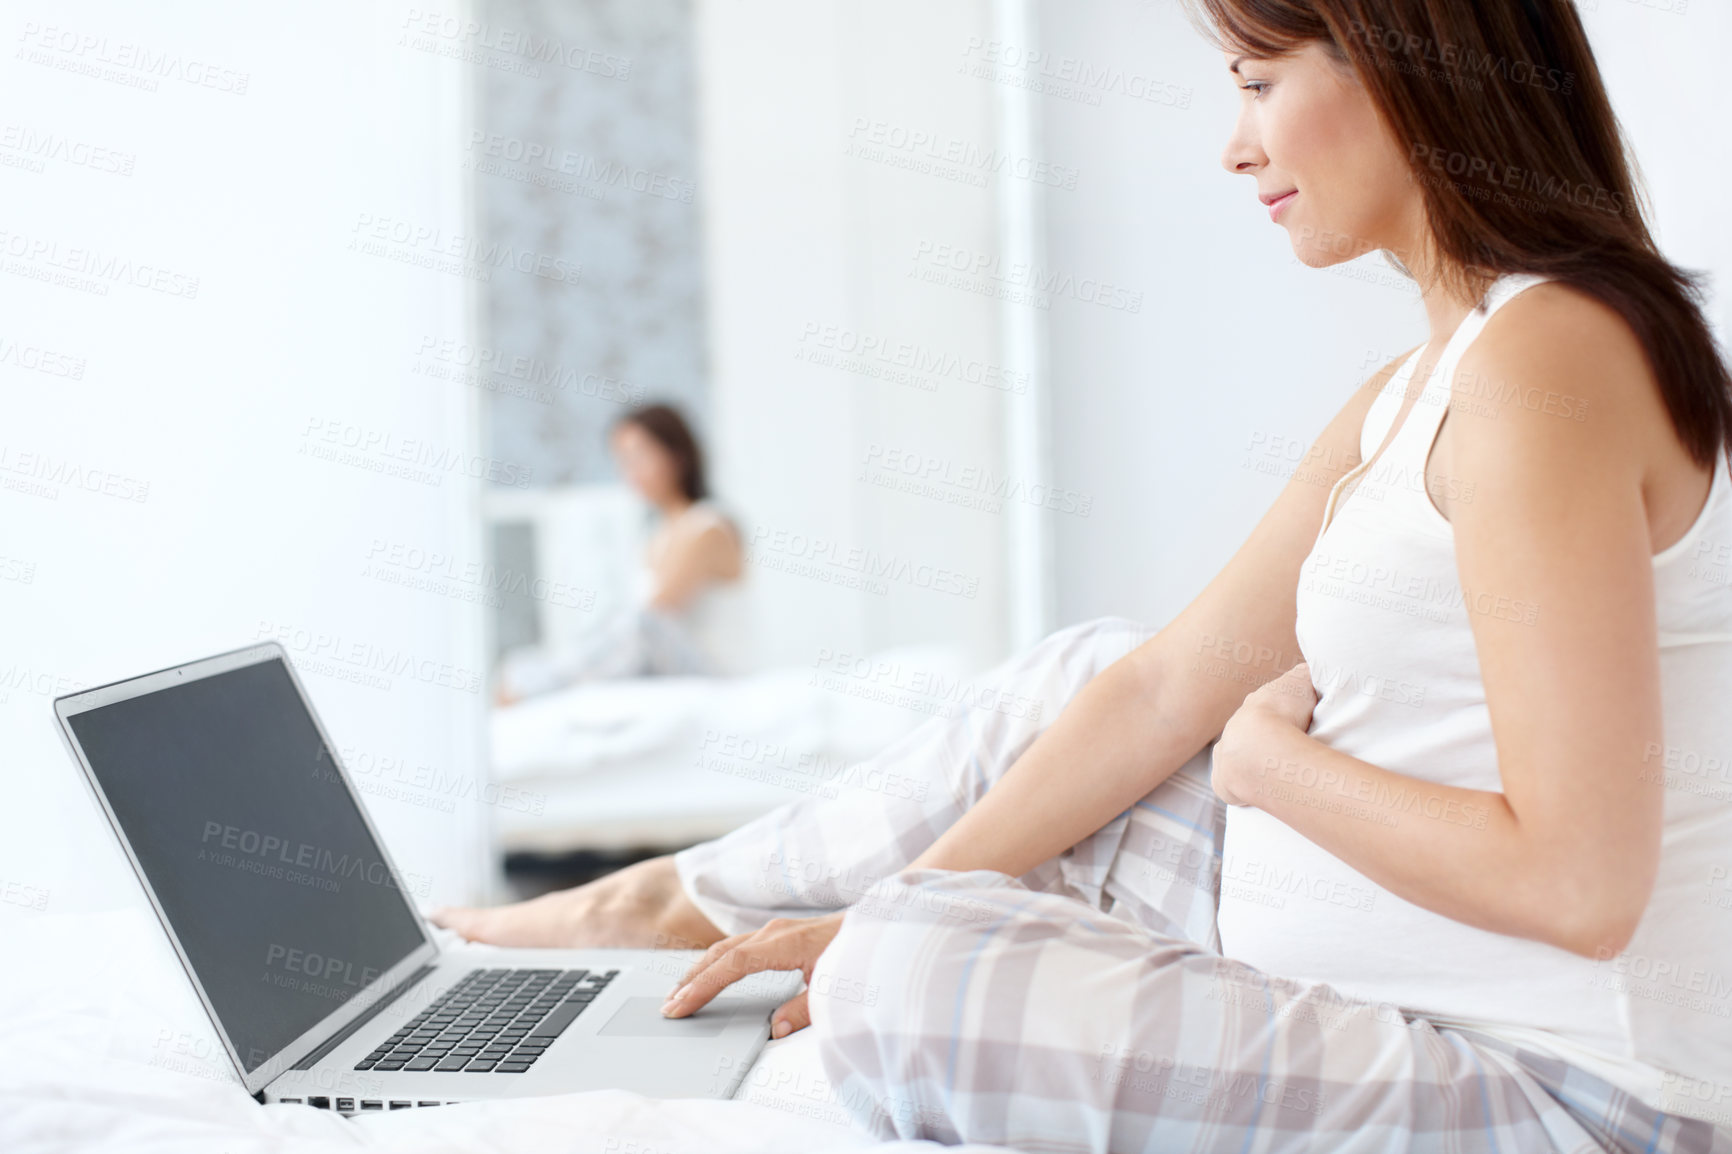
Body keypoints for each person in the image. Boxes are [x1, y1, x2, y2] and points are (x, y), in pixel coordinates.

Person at [436, 1, 1732, 1148]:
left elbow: (1578, 885)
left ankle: (710, 906)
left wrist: (1269, 765)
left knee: (910, 972)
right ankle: (670, 899)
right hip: (1396, 971)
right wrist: (893, 900)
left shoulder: (1548, 358)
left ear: (1410, 59)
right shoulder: (1425, 384)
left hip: (1569, 1090)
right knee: (1082, 684)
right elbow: (1171, 682)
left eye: (1257, 80)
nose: (1235, 146)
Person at [493, 402, 749, 703]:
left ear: (677, 456)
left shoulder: (707, 527)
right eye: (622, 461)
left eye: (638, 457)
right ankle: (535, 679)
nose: (630, 473)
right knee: (550, 654)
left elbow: (656, 618)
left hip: (715, 674)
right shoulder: (657, 534)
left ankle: (535, 686)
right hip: (668, 669)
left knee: (641, 625)